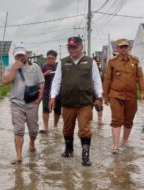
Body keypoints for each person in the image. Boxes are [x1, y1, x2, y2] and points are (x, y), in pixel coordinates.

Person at [49, 36, 103, 166]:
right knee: (67, 129)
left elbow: (96, 81)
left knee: (84, 129)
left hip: (85, 102)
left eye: (75, 47)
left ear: (81, 47)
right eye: (70, 47)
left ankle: (85, 155)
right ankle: (69, 149)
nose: (72, 50)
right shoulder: (63, 62)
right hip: (67, 102)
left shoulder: (90, 62)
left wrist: (99, 97)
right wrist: (52, 96)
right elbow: (57, 81)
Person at [2, 44, 44, 164]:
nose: (20, 57)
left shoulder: (35, 67)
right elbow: (5, 81)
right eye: (18, 55)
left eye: (22, 54)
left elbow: (41, 84)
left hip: (32, 103)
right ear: (14, 56)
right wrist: (15, 68)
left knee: (33, 129)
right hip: (16, 103)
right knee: (18, 130)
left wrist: (39, 99)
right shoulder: (10, 67)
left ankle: (31, 142)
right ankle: (19, 156)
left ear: (26, 54)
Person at [103, 39, 144, 154]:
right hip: (116, 95)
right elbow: (107, 79)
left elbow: (140, 77)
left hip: (131, 96)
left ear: (129, 48)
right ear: (117, 49)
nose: (123, 49)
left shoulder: (135, 61)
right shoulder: (112, 62)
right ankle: (116, 146)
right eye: (121, 47)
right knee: (116, 120)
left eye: (125, 47)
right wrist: (105, 96)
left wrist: (142, 91)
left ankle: (125, 141)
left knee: (128, 120)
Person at [40, 50, 61, 132]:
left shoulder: (59, 66)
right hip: (46, 91)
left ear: (55, 58)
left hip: (58, 92)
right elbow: (38, 78)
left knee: (57, 110)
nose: (50, 60)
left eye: (52, 58)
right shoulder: (43, 67)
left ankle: (55, 126)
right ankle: (46, 127)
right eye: (48, 58)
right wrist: (45, 74)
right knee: (45, 109)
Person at [93, 56, 104, 125]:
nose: (97, 63)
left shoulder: (101, 71)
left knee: (99, 106)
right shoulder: (90, 69)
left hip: (99, 92)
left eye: (98, 62)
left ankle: (100, 121)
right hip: (90, 91)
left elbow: (103, 81)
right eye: (96, 62)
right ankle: (90, 122)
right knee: (89, 108)